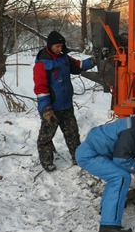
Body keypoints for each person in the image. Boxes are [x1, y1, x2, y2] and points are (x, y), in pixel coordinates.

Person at [76, 111, 135, 232]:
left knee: (118, 177)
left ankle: (108, 209)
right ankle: (109, 226)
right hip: (90, 155)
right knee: (120, 177)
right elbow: (121, 158)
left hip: (97, 153)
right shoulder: (134, 131)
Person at [33, 30, 96, 172]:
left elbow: (79, 66)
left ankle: (78, 157)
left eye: (61, 46)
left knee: (72, 133)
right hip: (52, 108)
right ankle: (46, 161)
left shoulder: (64, 58)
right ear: (50, 46)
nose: (59, 49)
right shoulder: (42, 64)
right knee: (46, 137)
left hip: (66, 106)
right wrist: (46, 109)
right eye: (57, 46)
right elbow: (41, 88)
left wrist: (93, 60)